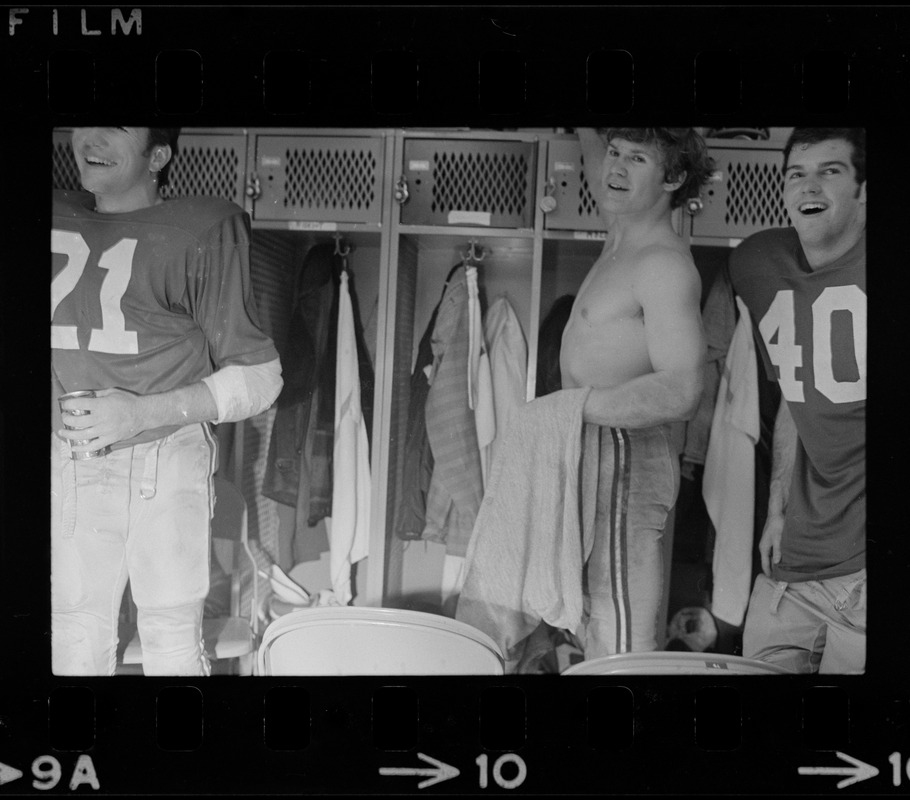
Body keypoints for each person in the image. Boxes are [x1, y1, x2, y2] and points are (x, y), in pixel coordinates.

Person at [51, 126, 283, 676]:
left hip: (164, 453)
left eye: (119, 125)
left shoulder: (202, 227)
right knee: (71, 635)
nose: (94, 136)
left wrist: (139, 412)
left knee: (171, 639)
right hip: (69, 456)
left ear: (158, 155)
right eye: (87, 119)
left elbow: (261, 376)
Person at [561, 128, 714, 658]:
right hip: (593, 451)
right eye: (615, 154)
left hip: (627, 457)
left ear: (672, 179)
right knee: (586, 619)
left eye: (638, 158)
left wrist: (568, 411)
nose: (616, 168)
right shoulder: (621, 233)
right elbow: (601, 162)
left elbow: (682, 389)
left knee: (619, 631)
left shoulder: (663, 264)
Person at [729, 128, 866, 674]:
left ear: (863, 189)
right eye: (796, 173)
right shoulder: (758, 264)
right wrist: (777, 508)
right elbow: (794, 387)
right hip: (791, 567)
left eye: (830, 170)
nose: (809, 184)